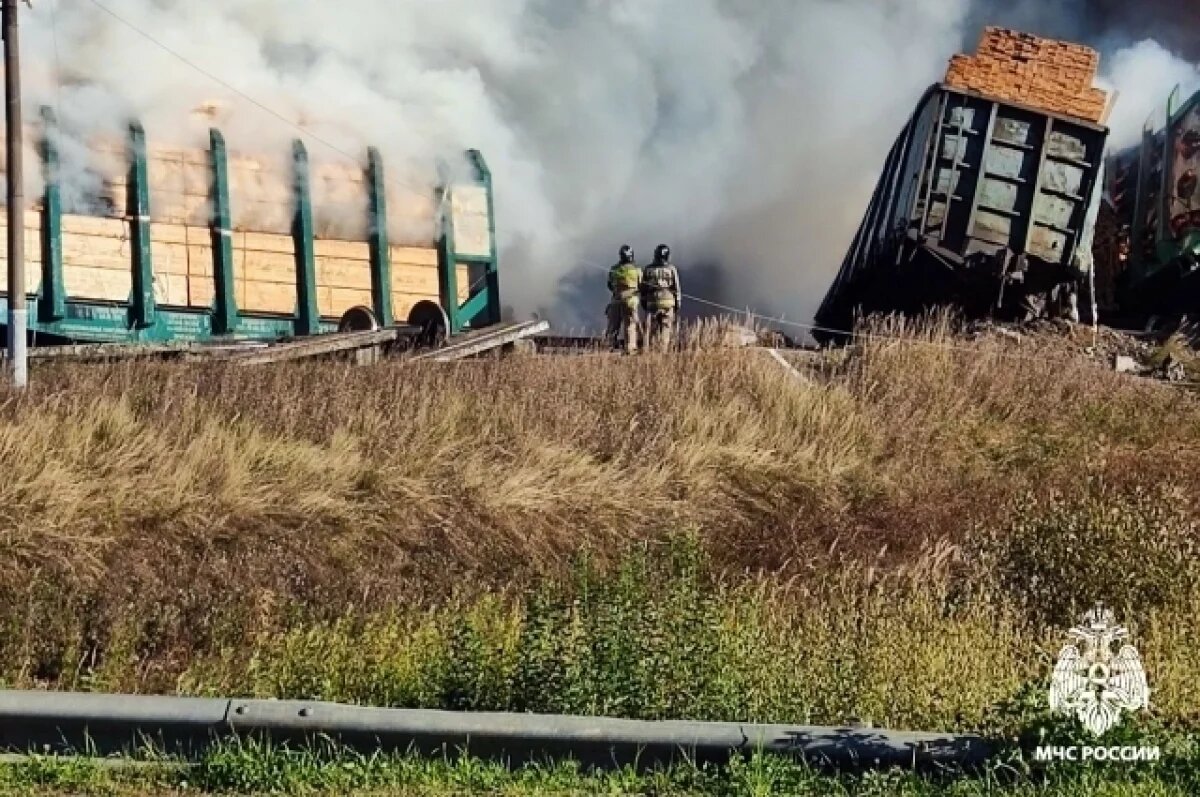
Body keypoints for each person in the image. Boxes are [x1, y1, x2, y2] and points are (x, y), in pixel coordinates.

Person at [640, 244, 681, 351]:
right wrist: (677, 303)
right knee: (666, 329)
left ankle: (651, 352)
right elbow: (676, 287)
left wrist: (644, 302)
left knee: (651, 330)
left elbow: (643, 288)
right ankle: (663, 351)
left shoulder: (648, 269)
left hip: (652, 302)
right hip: (668, 302)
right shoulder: (671, 269)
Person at [605, 244, 642, 353]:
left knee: (613, 325)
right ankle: (630, 349)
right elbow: (641, 285)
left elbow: (609, 285)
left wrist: (618, 292)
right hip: (631, 301)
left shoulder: (614, 269)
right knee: (630, 325)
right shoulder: (636, 269)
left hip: (616, 300)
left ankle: (609, 346)